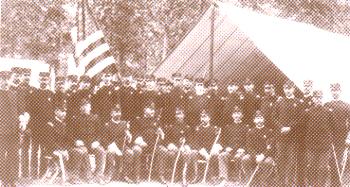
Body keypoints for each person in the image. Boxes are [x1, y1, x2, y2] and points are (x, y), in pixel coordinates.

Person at [68, 99, 106, 184]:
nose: (85, 108)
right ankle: (88, 177)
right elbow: (70, 134)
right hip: (81, 143)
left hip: (93, 143)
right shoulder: (75, 118)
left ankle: (98, 176)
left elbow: (100, 133)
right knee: (83, 151)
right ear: (80, 108)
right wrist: (75, 141)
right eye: (83, 106)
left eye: (87, 106)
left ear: (90, 107)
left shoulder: (95, 117)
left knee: (101, 151)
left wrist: (97, 141)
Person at [304, 90, 336, 186]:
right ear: (313, 99)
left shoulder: (328, 112)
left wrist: (329, 140)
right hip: (311, 144)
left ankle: (321, 185)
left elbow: (333, 127)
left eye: (320, 98)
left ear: (322, 99)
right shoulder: (308, 112)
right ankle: (313, 184)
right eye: (316, 98)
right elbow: (304, 127)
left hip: (324, 145)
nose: (318, 100)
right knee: (312, 167)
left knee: (323, 167)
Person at [273, 80, 303, 186]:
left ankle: (289, 182)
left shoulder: (298, 102)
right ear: (283, 89)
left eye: (289, 88)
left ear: (293, 89)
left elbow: (300, 118)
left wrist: (289, 127)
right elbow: (274, 117)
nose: (287, 90)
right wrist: (281, 127)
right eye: (285, 88)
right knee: (280, 159)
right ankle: (280, 182)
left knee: (291, 160)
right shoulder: (279, 102)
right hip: (281, 137)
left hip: (293, 137)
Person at [126, 102, 164, 183]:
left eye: (153, 109)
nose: (153, 111)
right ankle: (137, 175)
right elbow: (134, 134)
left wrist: (160, 135)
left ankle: (160, 175)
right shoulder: (138, 120)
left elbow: (160, 136)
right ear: (145, 110)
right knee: (136, 150)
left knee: (162, 150)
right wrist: (139, 141)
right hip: (141, 145)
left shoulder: (157, 121)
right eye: (150, 109)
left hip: (153, 145)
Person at [28, 72, 54, 179]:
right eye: (42, 79)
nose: (44, 81)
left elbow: (53, 111)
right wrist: (29, 127)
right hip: (35, 127)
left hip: (46, 128)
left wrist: (51, 122)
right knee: (34, 150)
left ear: (48, 81)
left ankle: (43, 172)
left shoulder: (51, 94)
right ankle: (33, 174)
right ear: (39, 80)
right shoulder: (33, 93)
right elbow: (29, 111)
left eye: (46, 79)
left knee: (44, 150)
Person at [325, 83, 350, 187]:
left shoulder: (346, 106)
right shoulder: (327, 105)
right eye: (333, 90)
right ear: (331, 92)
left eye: (336, 90)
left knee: (339, 161)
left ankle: (337, 184)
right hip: (329, 137)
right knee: (331, 161)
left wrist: (348, 137)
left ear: (340, 91)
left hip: (342, 137)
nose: (335, 92)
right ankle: (332, 184)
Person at [0, 70, 22, 187]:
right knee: (1, 156)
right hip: (1, 132)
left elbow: (18, 111)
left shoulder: (14, 94)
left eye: (7, 79)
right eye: (2, 79)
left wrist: (22, 119)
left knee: (13, 155)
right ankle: (2, 180)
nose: (5, 82)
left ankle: (11, 180)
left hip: (14, 131)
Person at [242, 111, 275, 186]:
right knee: (245, 159)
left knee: (268, 162)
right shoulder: (250, 131)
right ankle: (251, 181)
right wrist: (255, 156)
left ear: (264, 120)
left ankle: (263, 181)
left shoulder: (269, 131)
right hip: (254, 155)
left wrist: (263, 155)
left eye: (261, 118)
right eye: (257, 118)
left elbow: (270, 147)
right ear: (254, 120)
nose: (259, 120)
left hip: (266, 155)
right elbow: (249, 146)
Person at [157, 107, 190, 184]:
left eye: (180, 114)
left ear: (184, 115)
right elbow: (166, 139)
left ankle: (183, 176)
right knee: (171, 154)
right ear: (175, 116)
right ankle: (175, 174)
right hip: (173, 149)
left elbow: (191, 140)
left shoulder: (187, 127)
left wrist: (186, 144)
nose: (179, 116)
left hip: (183, 148)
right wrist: (170, 144)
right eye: (177, 114)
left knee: (186, 154)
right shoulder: (171, 127)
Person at [218, 106, 249, 184]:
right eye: (235, 113)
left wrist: (243, 149)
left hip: (241, 151)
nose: (237, 115)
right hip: (230, 150)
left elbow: (249, 142)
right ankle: (224, 179)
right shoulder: (228, 127)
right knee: (222, 155)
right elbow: (223, 140)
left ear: (242, 115)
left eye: (238, 113)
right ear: (232, 115)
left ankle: (238, 178)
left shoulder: (246, 127)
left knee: (238, 157)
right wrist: (226, 148)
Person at [102, 104, 132, 182]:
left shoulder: (124, 124)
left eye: (119, 112)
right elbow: (104, 140)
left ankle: (125, 175)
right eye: (115, 112)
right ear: (111, 114)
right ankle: (109, 174)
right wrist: (112, 146)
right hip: (111, 146)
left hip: (122, 146)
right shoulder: (107, 125)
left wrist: (129, 136)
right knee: (110, 153)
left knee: (129, 153)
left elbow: (126, 138)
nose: (118, 114)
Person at [192, 110, 221, 184]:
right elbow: (195, 143)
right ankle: (197, 176)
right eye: (202, 117)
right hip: (201, 151)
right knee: (194, 153)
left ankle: (213, 176)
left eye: (205, 117)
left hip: (211, 150)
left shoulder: (214, 128)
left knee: (215, 155)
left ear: (209, 118)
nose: (203, 119)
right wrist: (204, 153)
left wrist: (215, 148)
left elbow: (218, 142)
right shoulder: (198, 129)